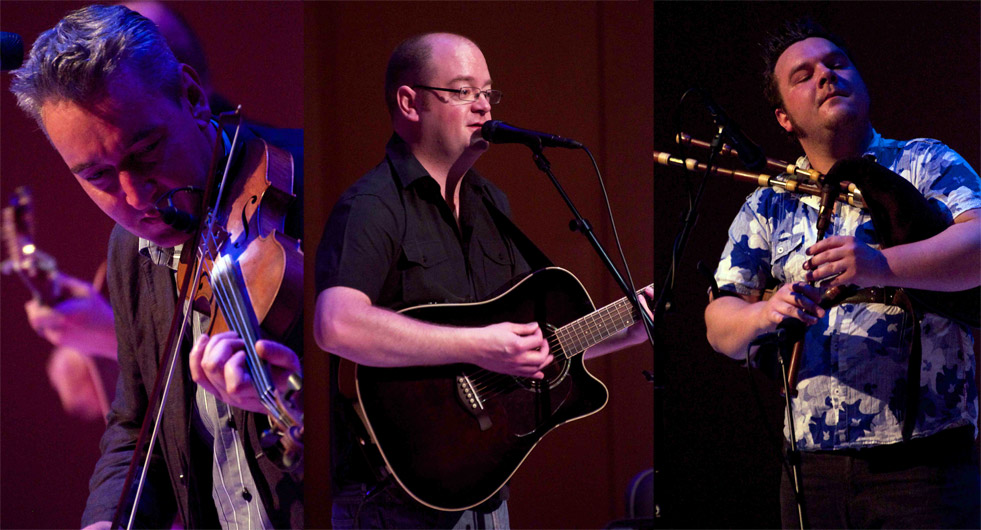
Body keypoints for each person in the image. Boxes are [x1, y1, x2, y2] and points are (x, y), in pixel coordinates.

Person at [314, 32, 652, 529]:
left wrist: (630, 328)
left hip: (483, 492)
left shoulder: (491, 204)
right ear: (410, 103)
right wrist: (477, 345)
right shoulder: (372, 206)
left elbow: (526, 349)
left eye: (488, 93)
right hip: (391, 503)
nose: (482, 107)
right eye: (462, 91)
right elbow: (336, 325)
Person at [10, 5, 303, 528]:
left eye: (146, 150)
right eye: (97, 175)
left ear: (191, 96)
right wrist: (107, 519)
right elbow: (136, 427)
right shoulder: (130, 249)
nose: (136, 195)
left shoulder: (316, 187)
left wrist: (288, 399)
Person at [703, 18, 980, 529]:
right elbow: (720, 324)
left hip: (924, 468)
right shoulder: (769, 202)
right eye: (803, 75)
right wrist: (766, 311)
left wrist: (880, 264)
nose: (826, 77)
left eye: (836, 64)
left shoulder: (924, 161)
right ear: (785, 118)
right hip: (812, 472)